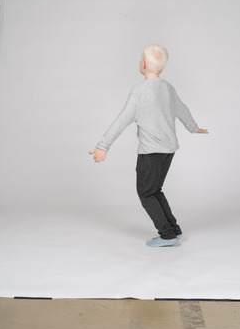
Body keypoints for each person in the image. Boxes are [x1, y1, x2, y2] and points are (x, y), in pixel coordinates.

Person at [89, 44, 208, 247]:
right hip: (168, 151)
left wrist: (103, 145)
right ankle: (174, 230)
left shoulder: (139, 91)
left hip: (151, 153)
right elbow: (182, 109)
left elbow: (122, 120)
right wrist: (193, 127)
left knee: (146, 193)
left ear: (143, 64)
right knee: (156, 190)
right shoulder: (168, 88)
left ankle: (166, 234)